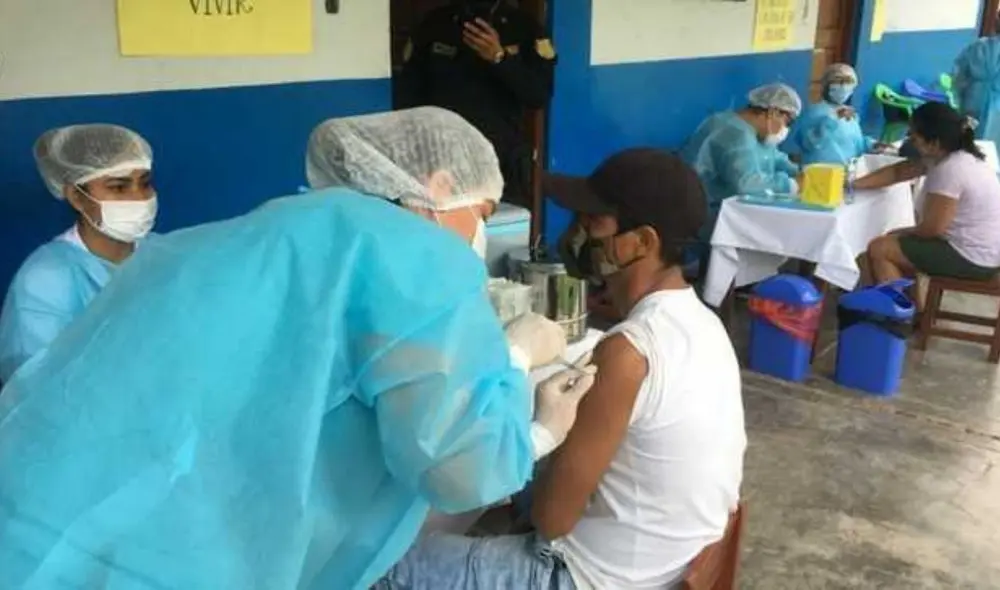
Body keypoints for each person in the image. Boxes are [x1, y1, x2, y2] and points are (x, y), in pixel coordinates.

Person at [0, 107, 593, 589]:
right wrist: (522, 379)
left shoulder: (268, 230)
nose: (480, 232)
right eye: (483, 212)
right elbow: (459, 471)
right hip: (193, 553)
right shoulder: (416, 254)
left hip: (81, 517)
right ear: (437, 186)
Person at [375, 149, 746, 590]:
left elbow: (551, 519)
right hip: (669, 560)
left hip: (590, 578)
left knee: (380, 564)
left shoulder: (629, 352)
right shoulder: (702, 322)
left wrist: (543, 436)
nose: (575, 233)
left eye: (592, 222)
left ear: (643, 242)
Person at [0, 124, 156, 382]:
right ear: (76, 196)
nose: (139, 197)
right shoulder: (47, 278)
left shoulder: (164, 253)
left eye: (145, 183)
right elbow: (34, 385)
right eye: (119, 187)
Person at [396, 0, 556, 209]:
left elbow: (538, 96)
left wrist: (500, 58)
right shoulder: (436, 23)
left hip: (499, 159)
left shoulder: (523, 26)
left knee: (502, 225)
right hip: (442, 158)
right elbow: (408, 96)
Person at [856, 102, 1000, 287]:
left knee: (880, 248)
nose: (910, 140)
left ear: (934, 143)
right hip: (983, 250)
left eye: (914, 137)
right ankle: (905, 298)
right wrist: (854, 184)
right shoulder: (954, 156)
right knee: (890, 245)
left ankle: (898, 304)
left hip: (973, 257)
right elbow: (900, 171)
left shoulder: (950, 169)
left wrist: (901, 232)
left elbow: (933, 229)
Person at [681, 82, 803, 243]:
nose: (785, 129)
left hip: (722, 211)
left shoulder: (752, 132)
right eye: (787, 122)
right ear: (773, 112)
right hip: (707, 214)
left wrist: (801, 171)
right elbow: (746, 183)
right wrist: (791, 185)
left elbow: (773, 156)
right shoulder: (735, 134)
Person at [785, 64, 880, 166]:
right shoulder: (814, 112)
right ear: (826, 85)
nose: (843, 87)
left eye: (848, 82)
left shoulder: (849, 114)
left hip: (848, 171)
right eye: (838, 82)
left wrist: (872, 144)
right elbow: (808, 143)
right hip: (821, 172)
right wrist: (832, 119)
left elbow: (855, 141)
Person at [953, 35, 1000, 148]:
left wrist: (960, 95)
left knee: (968, 137)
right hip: (994, 106)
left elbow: (959, 76)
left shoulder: (978, 46)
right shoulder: (978, 46)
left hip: (972, 100)